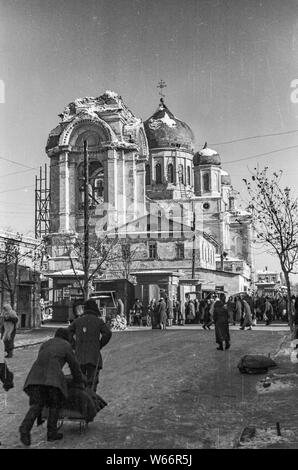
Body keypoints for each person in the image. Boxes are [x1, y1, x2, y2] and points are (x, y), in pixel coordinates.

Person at [19, 328, 86, 446]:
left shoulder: (46, 343)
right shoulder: (66, 345)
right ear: (67, 338)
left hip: (35, 377)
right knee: (55, 404)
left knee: (37, 405)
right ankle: (52, 433)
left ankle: (25, 428)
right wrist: (80, 381)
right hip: (53, 379)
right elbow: (74, 366)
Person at [68, 299, 112, 391]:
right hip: (94, 357)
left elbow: (68, 333)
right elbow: (107, 333)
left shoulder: (77, 321)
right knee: (92, 384)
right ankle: (91, 401)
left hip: (79, 357)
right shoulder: (98, 321)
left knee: (80, 383)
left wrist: (74, 345)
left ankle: (82, 401)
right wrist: (99, 344)